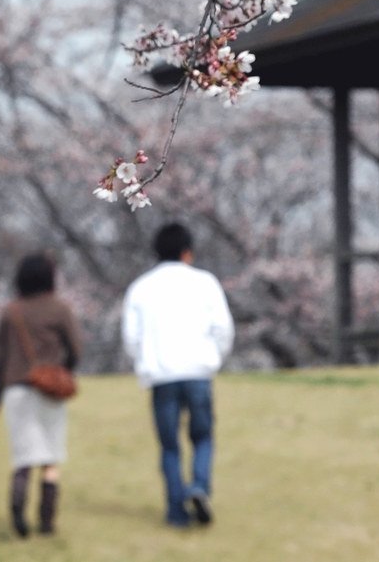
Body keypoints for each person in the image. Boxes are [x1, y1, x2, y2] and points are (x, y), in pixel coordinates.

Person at [122, 222, 235, 528]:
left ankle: (176, 511)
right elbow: (223, 329)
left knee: (169, 445)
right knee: (202, 436)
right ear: (188, 252)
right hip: (199, 371)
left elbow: (131, 338)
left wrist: (144, 363)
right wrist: (214, 359)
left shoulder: (141, 287)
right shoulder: (205, 282)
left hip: (161, 375)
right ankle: (198, 485)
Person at [0, 252, 83, 538]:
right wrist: (60, 373)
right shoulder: (60, 309)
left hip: (17, 390)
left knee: (23, 457)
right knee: (50, 456)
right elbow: (76, 350)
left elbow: (0, 358)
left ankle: (18, 512)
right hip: (50, 392)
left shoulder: (10, 312)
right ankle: (46, 521)